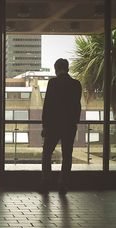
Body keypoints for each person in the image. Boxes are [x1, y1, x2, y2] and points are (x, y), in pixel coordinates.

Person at [41, 58, 82, 194]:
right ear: (68, 69)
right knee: (67, 155)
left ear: (56, 69)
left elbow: (47, 106)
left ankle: (47, 181)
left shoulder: (53, 83)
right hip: (69, 126)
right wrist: (74, 122)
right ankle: (63, 184)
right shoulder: (76, 84)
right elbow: (77, 106)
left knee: (47, 153)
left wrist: (45, 125)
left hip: (53, 125)